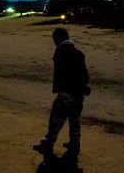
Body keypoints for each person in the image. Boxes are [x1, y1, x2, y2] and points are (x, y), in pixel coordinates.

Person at [33, 27, 90, 158]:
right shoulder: (79, 53)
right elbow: (84, 73)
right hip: (78, 93)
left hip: (66, 93)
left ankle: (48, 144)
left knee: (56, 120)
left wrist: (57, 89)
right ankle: (75, 144)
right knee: (75, 120)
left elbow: (59, 74)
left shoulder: (60, 52)